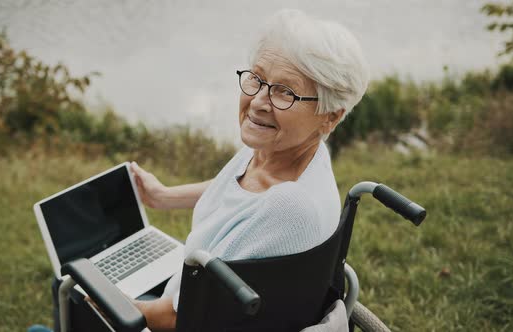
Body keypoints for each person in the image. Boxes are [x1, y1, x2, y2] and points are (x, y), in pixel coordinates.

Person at [127, 9, 370, 331]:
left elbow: (180, 318)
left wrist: (109, 302)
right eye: (256, 79)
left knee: (71, 289)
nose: (258, 101)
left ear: (331, 116)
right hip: (190, 291)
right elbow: (240, 189)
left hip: (180, 315)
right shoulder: (287, 154)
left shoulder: (287, 207)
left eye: (285, 91)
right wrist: (164, 197)